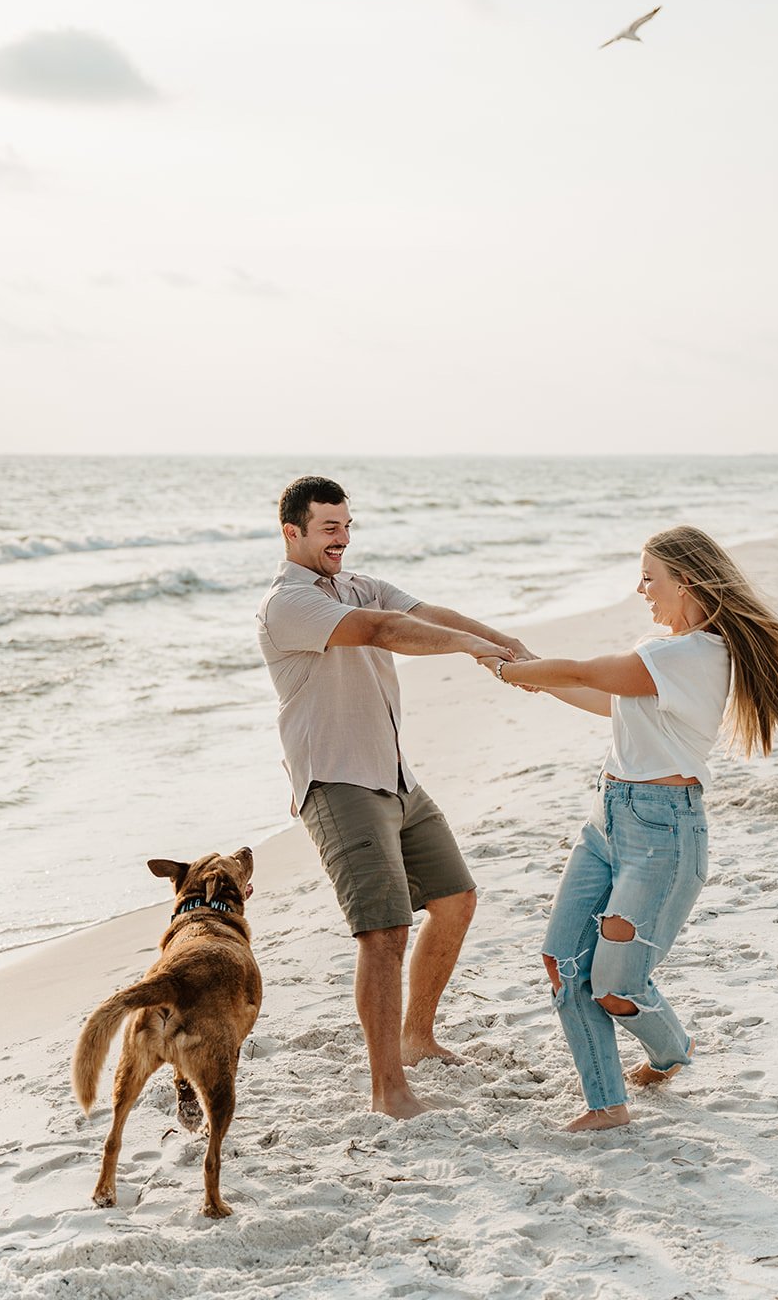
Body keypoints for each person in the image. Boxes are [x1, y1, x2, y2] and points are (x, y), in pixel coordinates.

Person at [481, 525, 778, 1133]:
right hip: (606, 820)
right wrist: (538, 679)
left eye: (650, 577)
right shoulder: (662, 655)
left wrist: (520, 669)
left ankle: (673, 1050)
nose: (640, 589)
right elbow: (606, 697)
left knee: (616, 985)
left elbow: (590, 669)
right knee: (563, 962)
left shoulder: (693, 654)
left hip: (663, 835)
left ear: (686, 581)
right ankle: (606, 1104)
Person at [257, 475, 534, 1120]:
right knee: (383, 931)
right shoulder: (288, 605)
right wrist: (470, 649)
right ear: (291, 532)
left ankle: (417, 1037)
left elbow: (422, 614)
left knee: (456, 900)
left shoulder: (358, 584)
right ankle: (387, 1089)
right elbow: (383, 631)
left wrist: (501, 642)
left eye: (348, 526)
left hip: (397, 778)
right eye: (330, 528)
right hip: (338, 783)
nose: (343, 540)